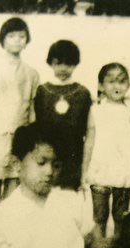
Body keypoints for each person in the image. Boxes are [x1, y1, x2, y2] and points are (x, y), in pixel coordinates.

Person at [0, 17, 39, 209]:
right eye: (11, 36)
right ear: (2, 39)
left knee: (12, 201)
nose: (17, 40)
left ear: (27, 40)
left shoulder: (31, 74)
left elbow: (32, 113)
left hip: (19, 140)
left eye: (22, 36)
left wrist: (31, 146)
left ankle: (8, 238)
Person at [82, 63, 130, 239]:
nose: (117, 86)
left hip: (123, 170)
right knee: (99, 216)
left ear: (128, 85)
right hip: (100, 169)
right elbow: (89, 142)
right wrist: (84, 171)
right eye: (111, 81)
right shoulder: (96, 110)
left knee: (120, 216)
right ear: (101, 86)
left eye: (122, 81)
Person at [34, 40, 92, 190]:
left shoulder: (82, 93)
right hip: (48, 154)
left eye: (69, 64)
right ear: (50, 63)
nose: (63, 68)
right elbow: (37, 124)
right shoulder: (43, 91)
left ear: (75, 65)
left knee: (68, 197)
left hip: (73, 155)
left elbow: (86, 129)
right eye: (58, 63)